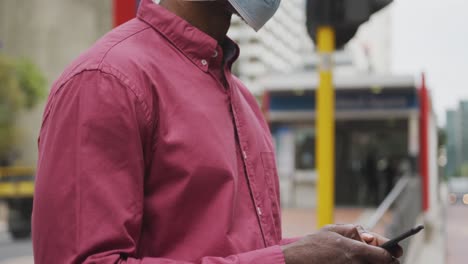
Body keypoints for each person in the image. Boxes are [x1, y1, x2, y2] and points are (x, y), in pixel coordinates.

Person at [32, 0, 402, 263]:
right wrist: (287, 260)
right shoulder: (106, 81)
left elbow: (235, 250)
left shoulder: (240, 96)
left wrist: (323, 250)